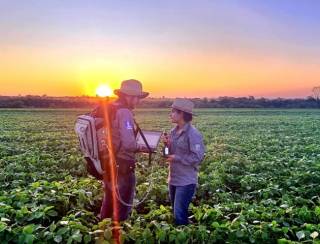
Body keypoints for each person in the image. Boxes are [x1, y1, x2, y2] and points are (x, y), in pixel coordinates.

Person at [96, 79, 149, 221]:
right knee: (122, 209)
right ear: (129, 96)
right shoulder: (124, 112)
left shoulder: (112, 107)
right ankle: (117, 234)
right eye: (137, 97)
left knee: (108, 202)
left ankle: (102, 233)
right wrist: (143, 147)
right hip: (123, 166)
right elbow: (129, 144)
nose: (138, 101)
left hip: (108, 163)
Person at [163, 98, 205, 225]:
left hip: (186, 181)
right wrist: (165, 146)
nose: (170, 114)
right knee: (177, 213)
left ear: (181, 114)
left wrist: (178, 158)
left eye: (173, 112)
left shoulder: (193, 134)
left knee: (179, 215)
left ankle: (184, 235)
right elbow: (167, 155)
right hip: (173, 179)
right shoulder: (172, 132)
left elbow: (198, 158)